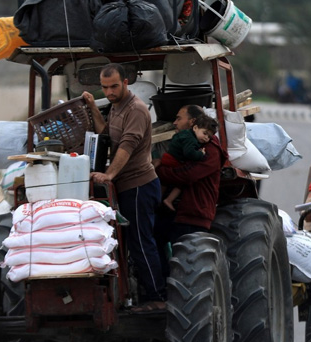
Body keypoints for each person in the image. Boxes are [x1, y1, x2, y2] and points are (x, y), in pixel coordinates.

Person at [82, 63, 166, 312]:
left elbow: (126, 147)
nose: (109, 92)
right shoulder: (116, 107)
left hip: (139, 185)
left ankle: (157, 298)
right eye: (105, 87)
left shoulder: (137, 110)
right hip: (125, 185)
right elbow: (107, 134)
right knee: (126, 243)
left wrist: (108, 175)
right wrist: (93, 108)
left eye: (114, 86)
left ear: (126, 82)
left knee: (141, 242)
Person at [160, 114, 218, 211]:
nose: (206, 138)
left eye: (209, 137)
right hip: (174, 160)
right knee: (183, 182)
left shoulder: (185, 134)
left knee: (164, 182)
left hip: (168, 158)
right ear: (195, 128)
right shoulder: (191, 140)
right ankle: (169, 200)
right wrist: (201, 154)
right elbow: (189, 153)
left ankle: (158, 199)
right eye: (204, 133)